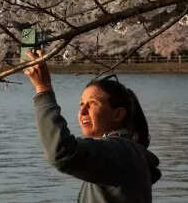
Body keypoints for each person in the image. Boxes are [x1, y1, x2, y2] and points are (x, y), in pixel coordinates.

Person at [24, 51, 161, 202]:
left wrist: (43, 90)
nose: (82, 111)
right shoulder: (127, 153)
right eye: (81, 104)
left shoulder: (120, 151)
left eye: (93, 104)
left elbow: (62, 152)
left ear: (118, 114)